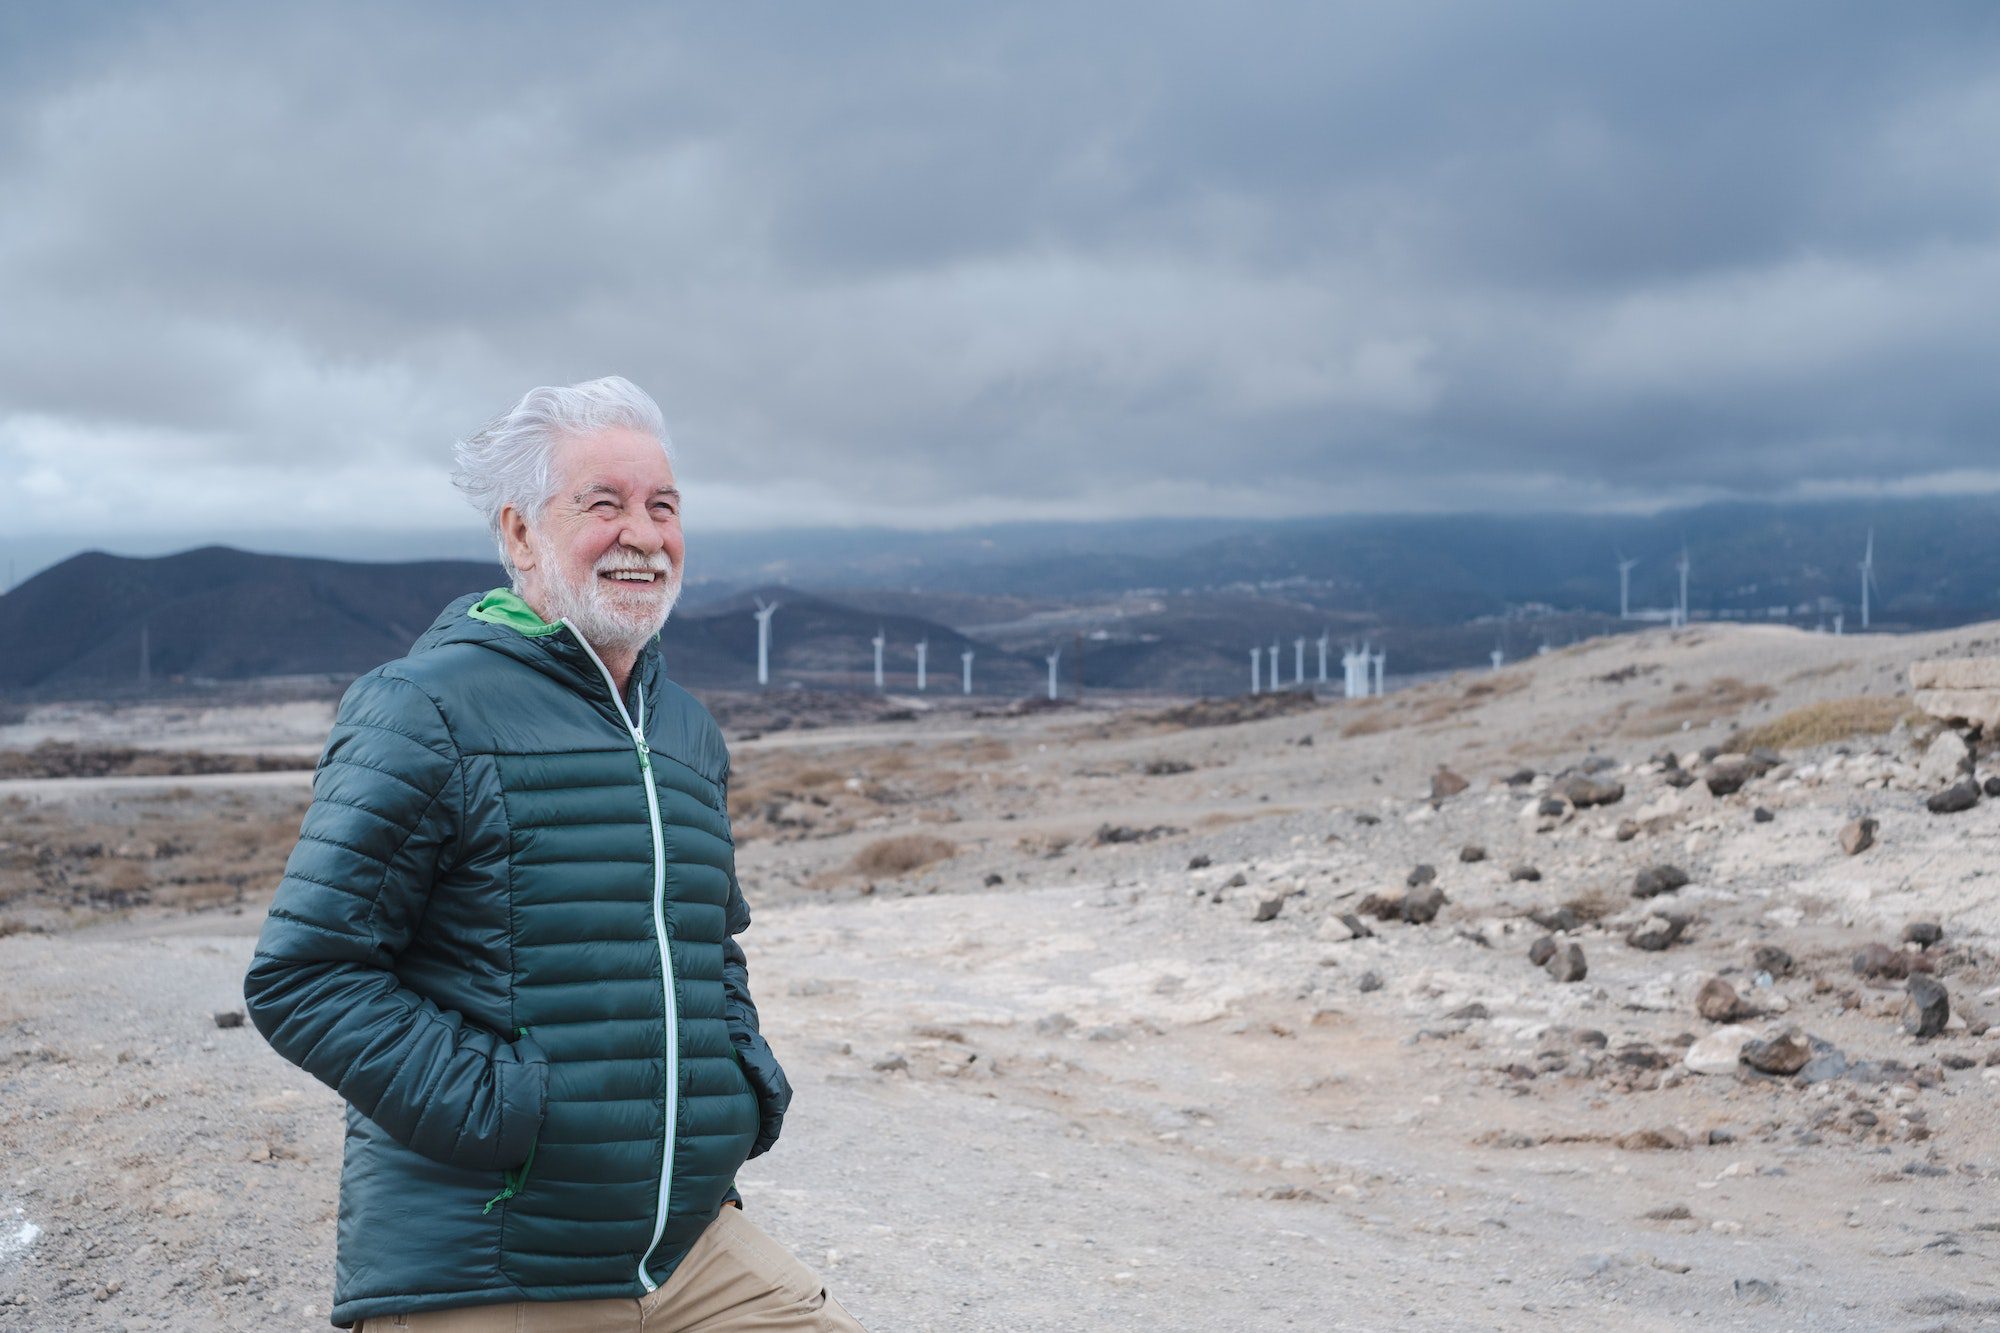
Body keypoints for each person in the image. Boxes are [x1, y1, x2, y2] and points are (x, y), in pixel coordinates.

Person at [244, 377, 864, 1331]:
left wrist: (739, 1082)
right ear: (522, 533)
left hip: (684, 1248)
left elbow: (709, 944)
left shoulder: (686, 730)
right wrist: (508, 1112)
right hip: (492, 1259)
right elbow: (306, 974)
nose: (643, 534)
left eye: (663, 507)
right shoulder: (425, 708)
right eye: (603, 503)